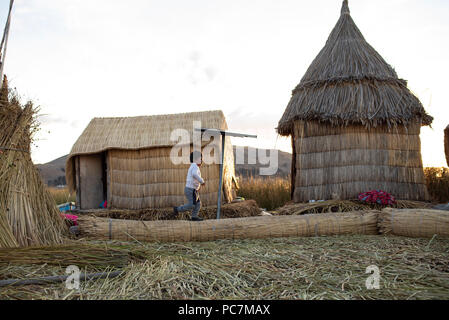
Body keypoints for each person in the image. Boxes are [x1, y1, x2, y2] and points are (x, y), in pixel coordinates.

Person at [173, 151, 205, 221]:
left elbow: (194, 178)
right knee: (192, 205)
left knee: (198, 204)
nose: (202, 160)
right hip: (191, 189)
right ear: (195, 159)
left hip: (193, 190)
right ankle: (177, 209)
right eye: (200, 159)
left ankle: (194, 216)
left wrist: (198, 187)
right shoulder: (195, 166)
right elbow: (194, 174)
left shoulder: (194, 166)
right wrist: (202, 181)